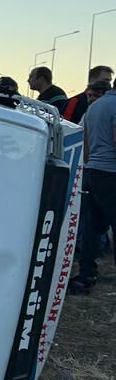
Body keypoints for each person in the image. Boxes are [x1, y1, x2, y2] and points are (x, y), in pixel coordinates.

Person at [74, 78, 116, 294]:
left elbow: (86, 142)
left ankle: (86, 275)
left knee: (92, 227)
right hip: (111, 172)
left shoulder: (95, 106)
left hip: (93, 171)